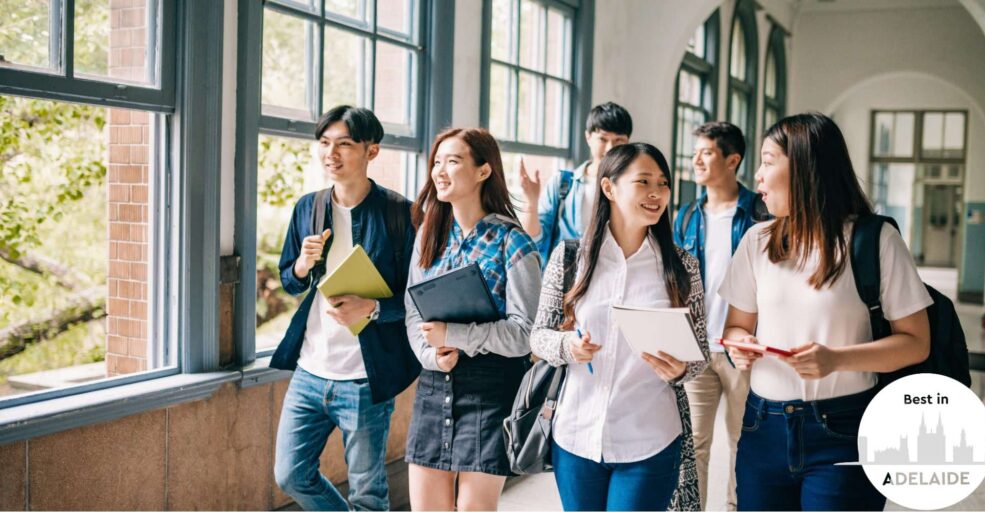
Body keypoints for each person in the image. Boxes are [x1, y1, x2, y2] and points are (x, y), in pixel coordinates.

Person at [720, 112, 932, 511]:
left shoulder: (875, 240)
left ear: (802, 167)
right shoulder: (756, 241)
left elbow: (916, 342)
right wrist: (739, 345)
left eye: (768, 161)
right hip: (762, 426)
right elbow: (735, 326)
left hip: (845, 428)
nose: (758, 177)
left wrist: (835, 360)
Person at [530, 142, 710, 511]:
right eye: (643, 182)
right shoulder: (569, 259)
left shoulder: (682, 266)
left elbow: (700, 352)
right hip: (576, 435)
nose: (656, 193)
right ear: (609, 188)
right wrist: (569, 348)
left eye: (663, 183)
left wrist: (683, 368)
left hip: (650, 437)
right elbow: (538, 338)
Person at [271, 106, 422, 510]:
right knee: (290, 473)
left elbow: (418, 298)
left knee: (368, 494)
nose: (330, 154)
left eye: (344, 144)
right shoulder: (308, 207)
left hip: (364, 376)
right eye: (323, 144)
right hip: (310, 370)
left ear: (372, 151)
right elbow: (289, 279)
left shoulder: (400, 215)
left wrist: (372, 307)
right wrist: (302, 264)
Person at [404, 128, 541, 511]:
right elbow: (413, 311)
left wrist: (456, 335)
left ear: (483, 171)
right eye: (436, 162)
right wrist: (432, 355)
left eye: (453, 161)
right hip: (434, 386)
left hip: (491, 390)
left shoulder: (512, 241)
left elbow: (525, 334)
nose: (440, 171)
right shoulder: (430, 233)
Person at [672, 121, 767, 510]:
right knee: (693, 446)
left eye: (706, 152)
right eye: (695, 150)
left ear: (733, 160)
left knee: (742, 444)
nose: (696, 159)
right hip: (696, 348)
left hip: (744, 347)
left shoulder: (759, 214)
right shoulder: (686, 216)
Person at [519, 102, 633, 266]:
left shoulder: (633, 187)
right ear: (588, 137)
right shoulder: (563, 184)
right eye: (603, 139)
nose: (610, 147)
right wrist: (531, 203)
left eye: (618, 140)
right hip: (567, 282)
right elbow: (535, 242)